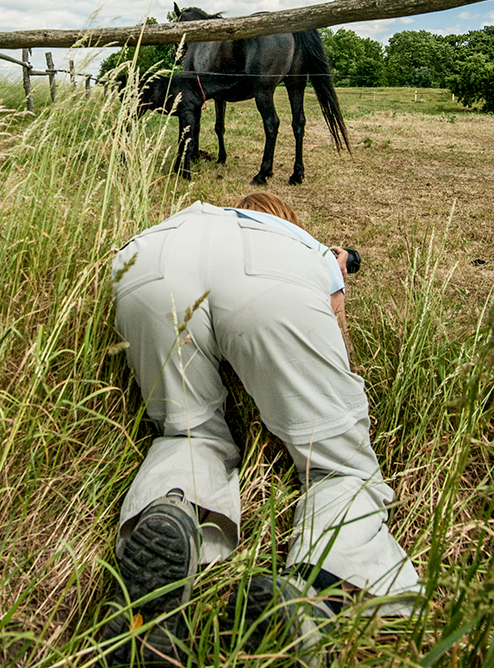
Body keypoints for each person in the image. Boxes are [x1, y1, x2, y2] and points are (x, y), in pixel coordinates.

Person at [101, 194, 421, 667]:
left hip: (151, 255)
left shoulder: (212, 219)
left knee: (186, 433)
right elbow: (336, 348)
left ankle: (169, 511)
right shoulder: (306, 245)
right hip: (270, 273)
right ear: (288, 219)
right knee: (338, 465)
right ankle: (317, 596)